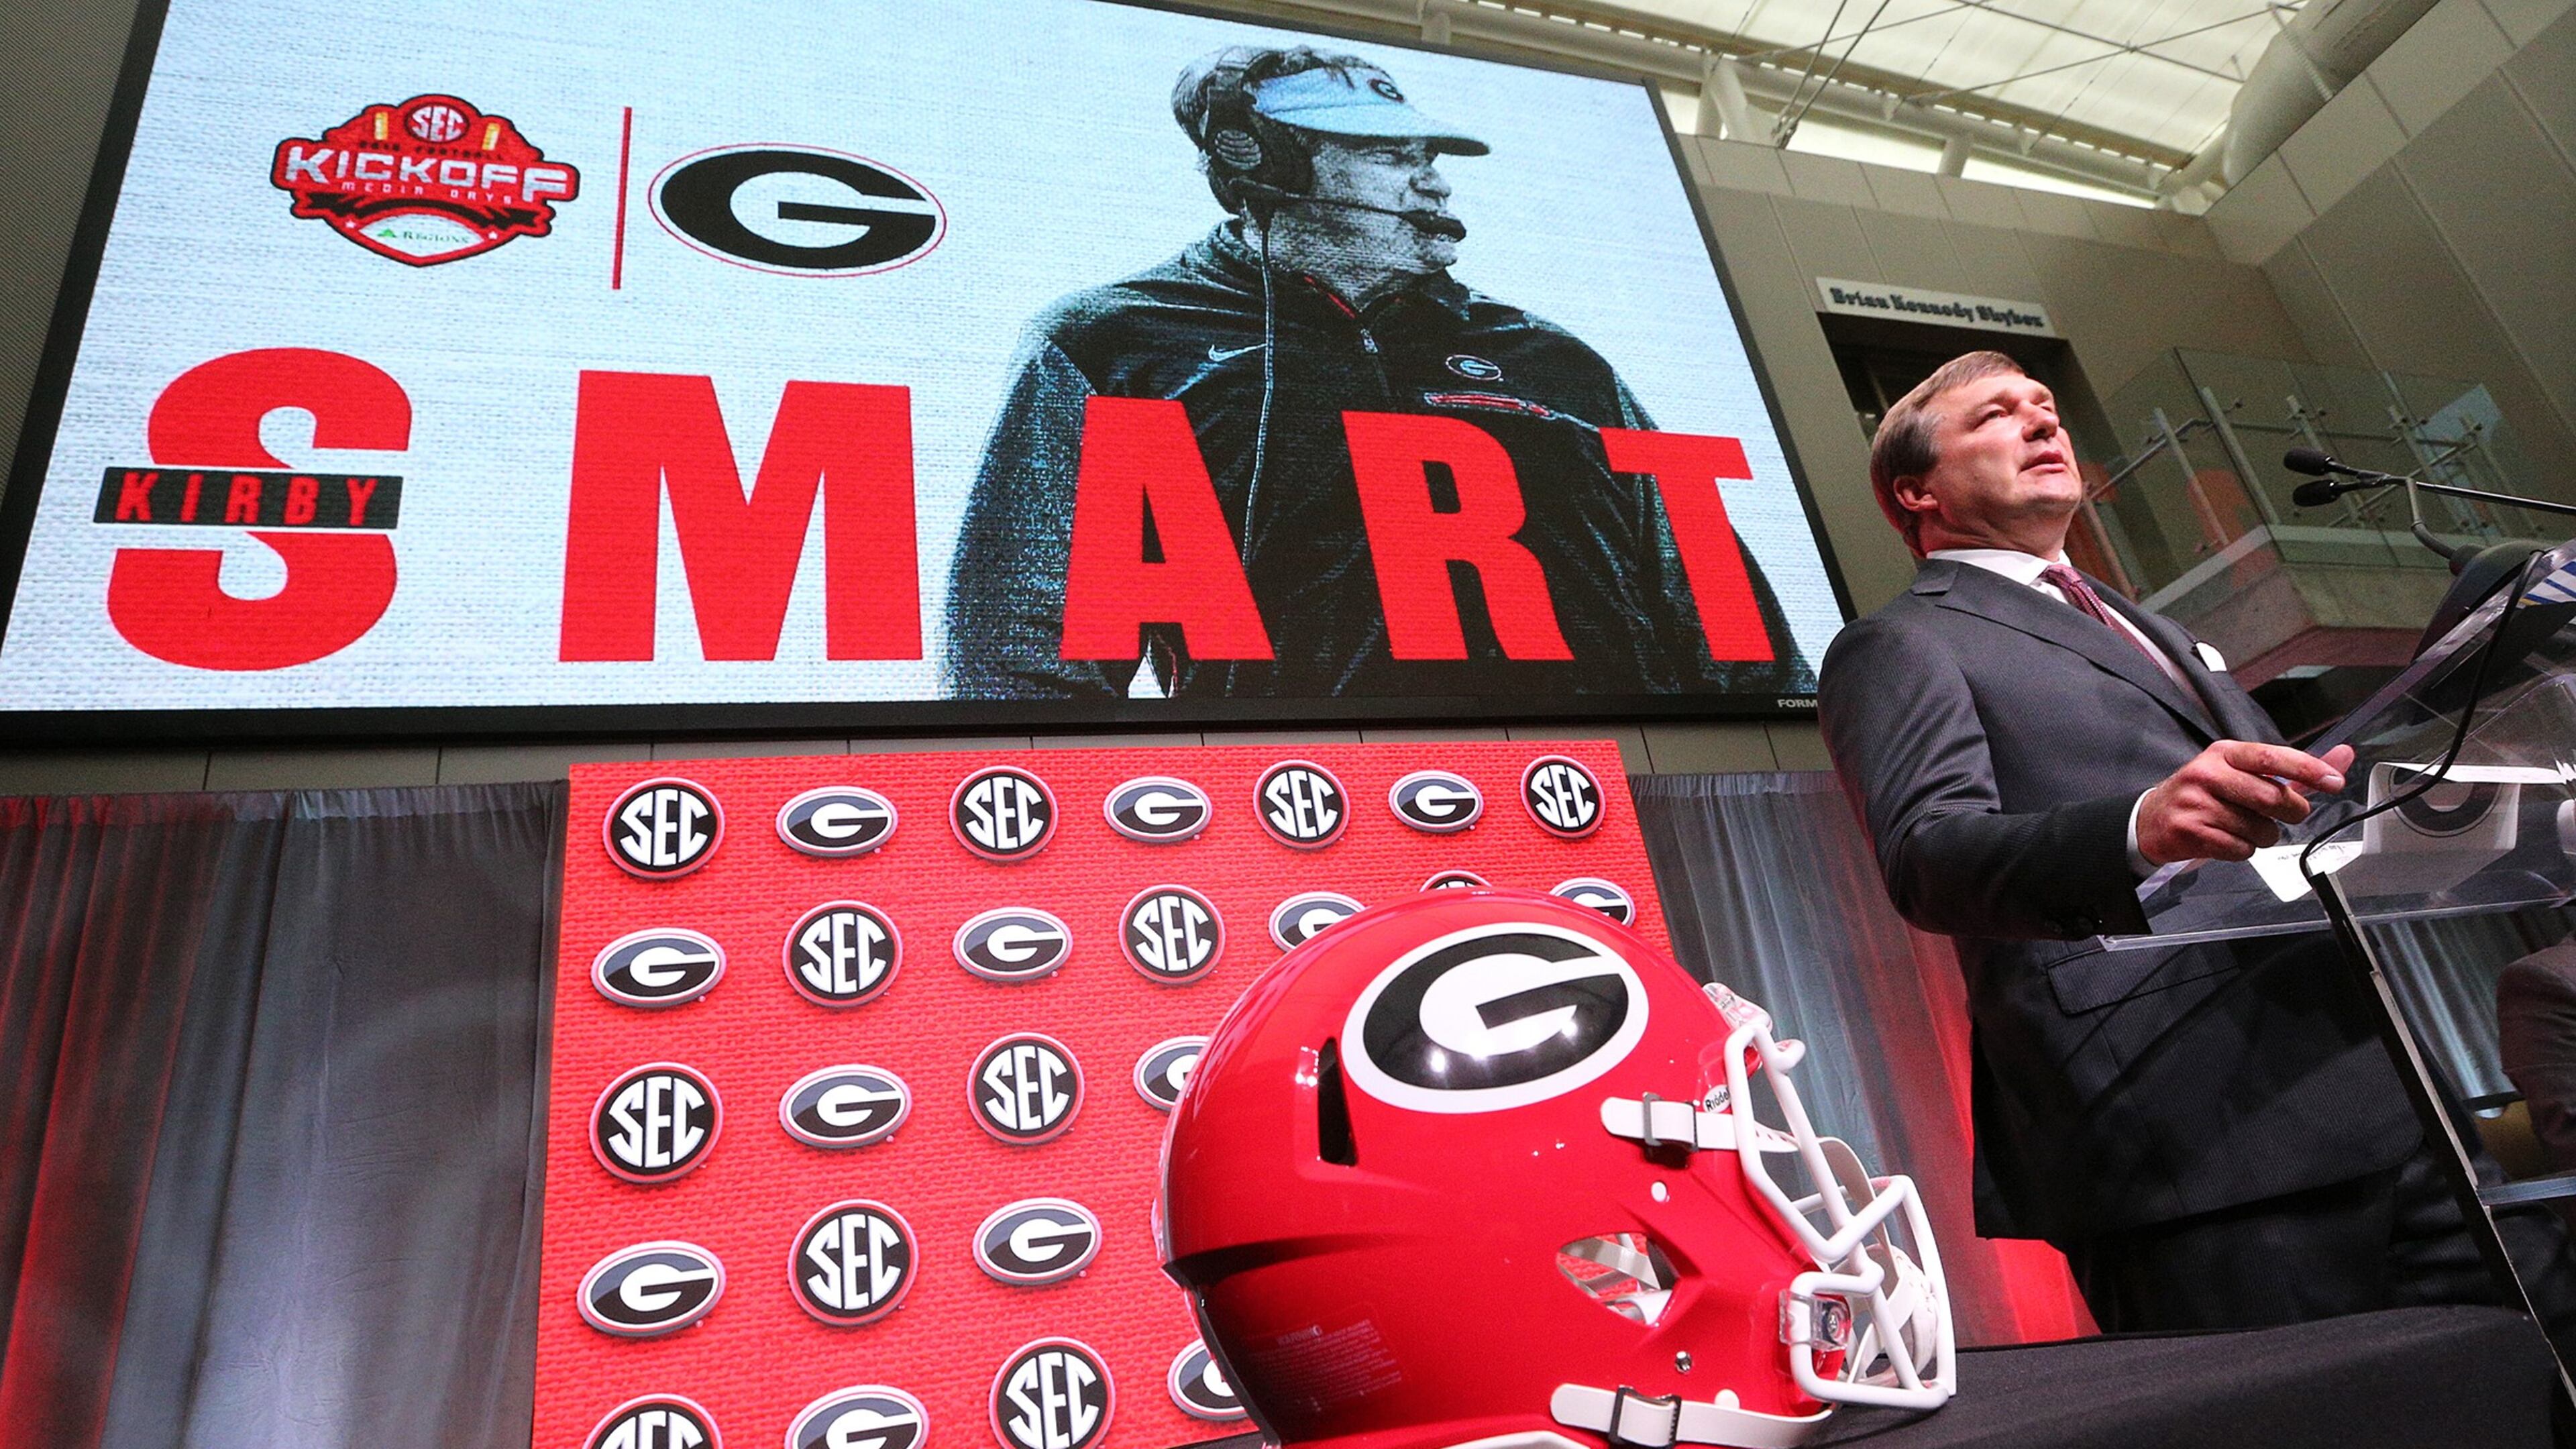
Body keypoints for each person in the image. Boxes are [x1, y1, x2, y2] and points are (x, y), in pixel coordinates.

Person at [1818, 350, 2503, 1333]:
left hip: (2379, 1089)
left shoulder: (2155, 631)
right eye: (1997, 416)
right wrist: (2137, 829)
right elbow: (1927, 859)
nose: (2044, 424)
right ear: (1916, 490)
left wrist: (2474, 806)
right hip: (2191, 1136)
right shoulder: (1902, 644)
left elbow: (2293, 826)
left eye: (2048, 407)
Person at [945, 44, 1809, 701]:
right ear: (1258, 160)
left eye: (1430, 158)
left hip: (1607, 802)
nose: (1434, 186)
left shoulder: (1557, 359)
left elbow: (1727, 621)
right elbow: (1017, 656)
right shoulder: (1113, 342)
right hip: (1315, 820)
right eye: (1395, 160)